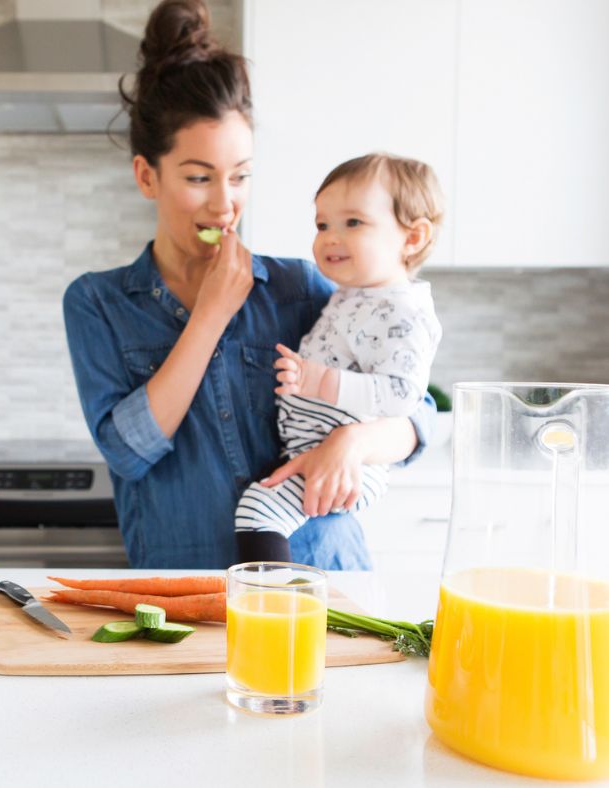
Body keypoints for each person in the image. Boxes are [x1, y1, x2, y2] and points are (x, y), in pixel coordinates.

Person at [62, 0, 435, 570]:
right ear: (146, 175)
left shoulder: (302, 286)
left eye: (240, 176)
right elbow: (127, 451)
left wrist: (352, 443)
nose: (224, 202)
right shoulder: (99, 302)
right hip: (187, 592)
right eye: (198, 177)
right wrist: (210, 314)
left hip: (325, 580)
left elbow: (417, 409)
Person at [234, 153, 443, 561]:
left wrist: (319, 383)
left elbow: (404, 395)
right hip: (314, 445)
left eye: (353, 222)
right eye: (322, 224)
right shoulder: (355, 294)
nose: (330, 237)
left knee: (259, 509)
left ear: (412, 238)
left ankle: (269, 605)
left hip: (350, 463)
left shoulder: (405, 310)